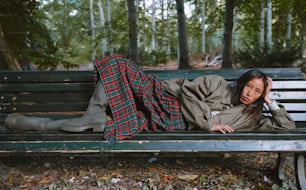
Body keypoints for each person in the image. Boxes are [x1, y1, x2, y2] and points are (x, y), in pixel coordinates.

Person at [5, 55, 295, 143]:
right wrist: (208, 122)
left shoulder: (252, 118)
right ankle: (95, 111)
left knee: (113, 127)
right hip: (164, 97)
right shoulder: (218, 84)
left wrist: (270, 101)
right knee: (119, 64)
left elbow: (288, 129)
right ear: (242, 82)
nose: (250, 94)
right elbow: (189, 94)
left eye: (258, 91)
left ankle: (33, 123)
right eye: (249, 87)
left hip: (170, 121)